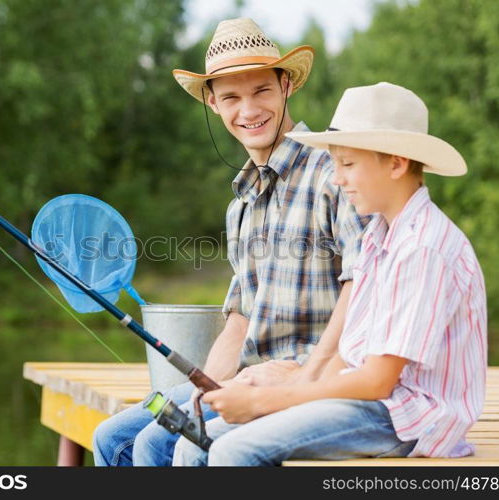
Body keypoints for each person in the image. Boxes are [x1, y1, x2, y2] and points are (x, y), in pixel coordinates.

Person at [92, 18, 368, 466]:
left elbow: (365, 283)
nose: (249, 110)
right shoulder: (240, 202)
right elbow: (239, 318)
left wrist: (306, 373)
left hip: (312, 379)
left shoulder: (333, 173)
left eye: (261, 91)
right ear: (213, 103)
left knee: (158, 446)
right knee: (112, 438)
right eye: (231, 98)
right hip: (247, 377)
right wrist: (204, 390)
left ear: (286, 86)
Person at [173, 82, 487, 466]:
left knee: (233, 450)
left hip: (404, 418)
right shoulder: (379, 236)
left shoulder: (422, 247)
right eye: (335, 163)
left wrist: (262, 401)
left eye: (348, 164)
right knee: (197, 442)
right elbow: (349, 356)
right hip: (364, 401)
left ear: (396, 163)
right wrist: (295, 388)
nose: (337, 178)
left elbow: (376, 381)